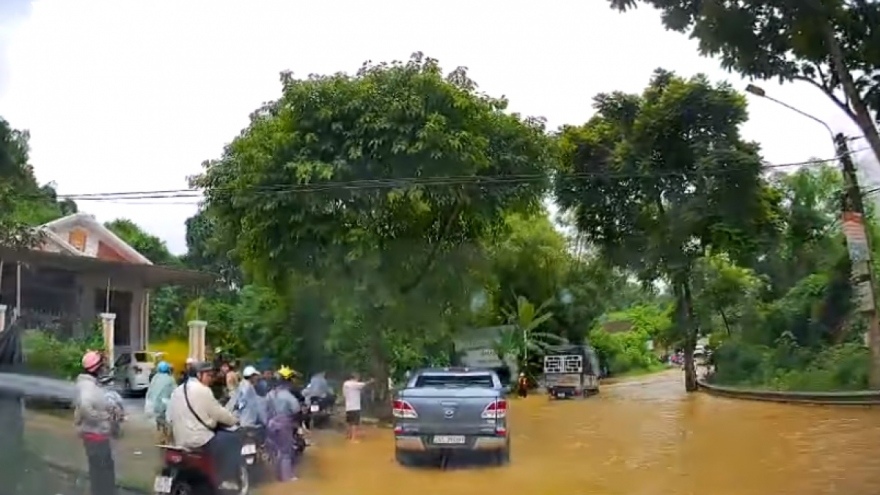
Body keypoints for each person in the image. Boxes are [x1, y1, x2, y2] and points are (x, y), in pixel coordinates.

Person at [167, 361, 242, 490]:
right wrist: (234, 420)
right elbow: (218, 412)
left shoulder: (177, 391)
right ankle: (226, 479)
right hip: (200, 440)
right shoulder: (203, 390)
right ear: (198, 375)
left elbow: (169, 417)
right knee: (232, 440)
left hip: (179, 440)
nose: (211, 379)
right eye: (208, 375)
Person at [74, 350, 124, 495]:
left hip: (94, 436)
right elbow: (85, 407)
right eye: (101, 365)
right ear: (96, 368)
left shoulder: (89, 384)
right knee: (104, 475)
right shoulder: (88, 387)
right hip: (96, 438)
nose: (103, 368)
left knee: (99, 473)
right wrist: (104, 417)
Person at [265, 366, 303, 482]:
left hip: (271, 424)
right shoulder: (287, 395)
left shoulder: (270, 394)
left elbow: (265, 409)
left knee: (276, 451)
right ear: (288, 382)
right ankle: (287, 478)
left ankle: (277, 476)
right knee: (286, 452)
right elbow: (296, 409)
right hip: (284, 425)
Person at [146, 361, 176, 444]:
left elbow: (150, 392)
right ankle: (166, 438)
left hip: (154, 405)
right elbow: (175, 392)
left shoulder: (155, 378)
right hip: (165, 404)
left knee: (159, 421)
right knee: (167, 421)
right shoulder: (170, 379)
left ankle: (161, 437)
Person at [342, 372, 373, 441]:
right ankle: (353, 438)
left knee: (349, 422)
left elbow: (344, 395)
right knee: (354, 423)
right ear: (355, 377)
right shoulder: (354, 384)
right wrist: (371, 381)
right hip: (355, 406)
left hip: (348, 406)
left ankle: (348, 436)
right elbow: (364, 384)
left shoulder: (345, 384)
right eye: (358, 378)